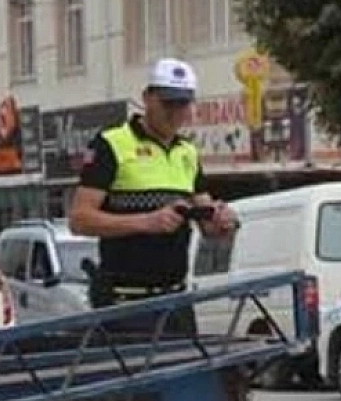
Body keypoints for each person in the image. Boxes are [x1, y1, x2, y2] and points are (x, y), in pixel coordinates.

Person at [67, 57, 240, 310]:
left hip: (176, 299)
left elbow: (207, 223)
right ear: (147, 98)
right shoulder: (112, 144)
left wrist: (221, 221)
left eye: (183, 104)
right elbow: (79, 220)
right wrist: (146, 222)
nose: (175, 112)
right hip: (124, 300)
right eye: (167, 103)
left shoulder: (187, 152)